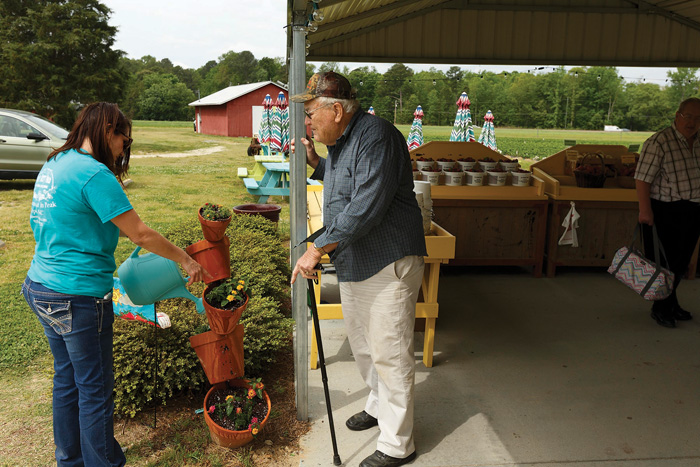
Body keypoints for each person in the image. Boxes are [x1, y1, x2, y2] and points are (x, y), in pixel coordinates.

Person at [22, 102, 208, 466]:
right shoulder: (93, 175)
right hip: (77, 295)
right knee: (94, 390)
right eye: (125, 138)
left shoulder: (56, 162)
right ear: (109, 131)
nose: (125, 147)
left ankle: (70, 460)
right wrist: (185, 259)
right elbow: (139, 233)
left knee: (67, 381)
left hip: (40, 286)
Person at [290, 72, 427, 467]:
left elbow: (365, 203)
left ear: (337, 109)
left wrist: (317, 249)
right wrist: (318, 163)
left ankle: (399, 444)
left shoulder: (377, 135)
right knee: (365, 348)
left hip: (387, 260)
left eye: (312, 112)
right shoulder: (342, 140)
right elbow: (342, 184)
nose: (307, 122)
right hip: (356, 260)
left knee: (390, 353)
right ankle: (378, 406)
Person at [635, 97, 700, 328]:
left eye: (698, 118)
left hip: (693, 209)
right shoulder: (659, 142)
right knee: (663, 264)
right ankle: (660, 308)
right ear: (677, 116)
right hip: (664, 210)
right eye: (688, 116)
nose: (692, 123)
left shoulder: (699, 141)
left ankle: (671, 303)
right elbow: (642, 179)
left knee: (681, 263)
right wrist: (645, 211)